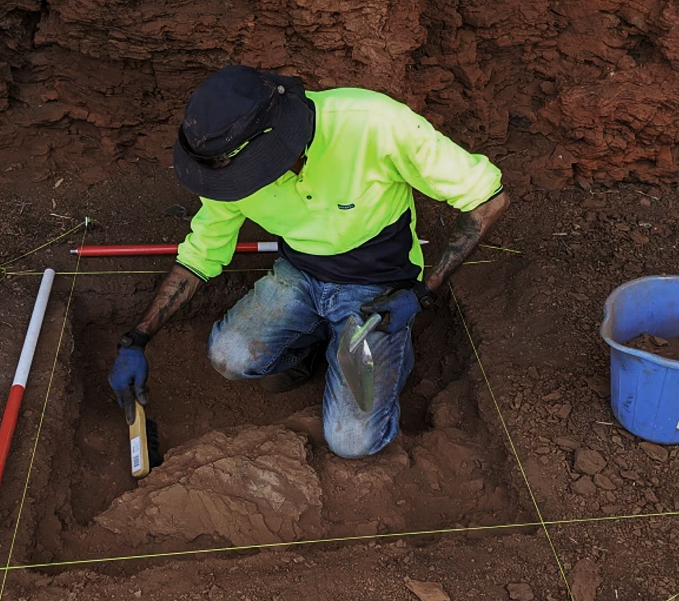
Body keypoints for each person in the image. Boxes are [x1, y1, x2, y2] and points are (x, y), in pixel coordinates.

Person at [108, 65, 508, 459]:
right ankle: (319, 346)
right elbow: (200, 255)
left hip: (378, 289)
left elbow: (489, 197)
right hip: (300, 274)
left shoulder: (373, 124)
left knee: (353, 443)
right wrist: (137, 338)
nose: (237, 188)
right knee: (228, 356)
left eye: (247, 175)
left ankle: (379, 352)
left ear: (276, 146)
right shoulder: (225, 172)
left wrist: (423, 294)